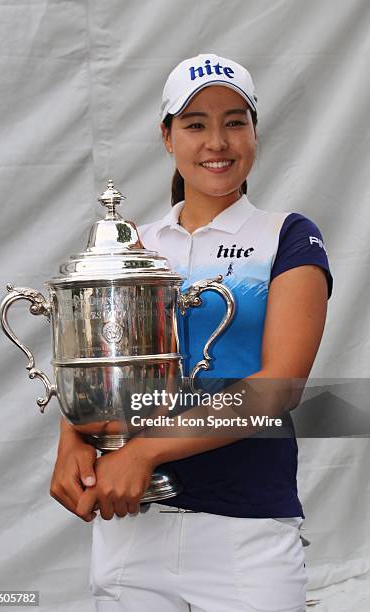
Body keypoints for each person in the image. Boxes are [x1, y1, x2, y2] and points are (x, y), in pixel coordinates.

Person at [50, 53, 333, 612]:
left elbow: (279, 385)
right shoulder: (134, 247)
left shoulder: (288, 237)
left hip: (245, 530)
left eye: (234, 121)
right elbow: (100, 365)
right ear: (167, 136)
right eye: (195, 124)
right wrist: (72, 439)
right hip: (132, 525)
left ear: (254, 129)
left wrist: (146, 452)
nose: (218, 142)